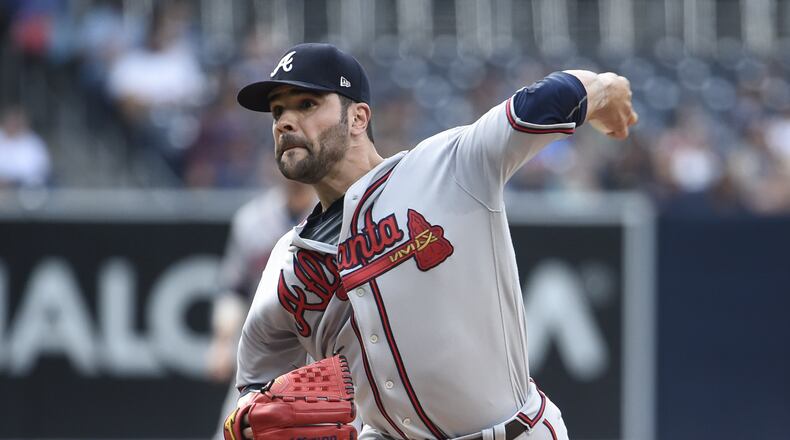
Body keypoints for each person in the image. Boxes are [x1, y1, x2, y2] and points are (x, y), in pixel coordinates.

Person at [230, 43, 637, 440]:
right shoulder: (289, 264)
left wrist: (607, 89)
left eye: (306, 105)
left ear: (358, 118)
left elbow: (551, 96)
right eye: (278, 110)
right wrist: (248, 421)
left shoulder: (447, 167)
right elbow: (255, 383)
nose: (284, 121)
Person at [206, 179, 314, 439]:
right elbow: (234, 290)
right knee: (233, 430)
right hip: (264, 349)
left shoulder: (336, 214)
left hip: (316, 354)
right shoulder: (252, 220)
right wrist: (221, 342)